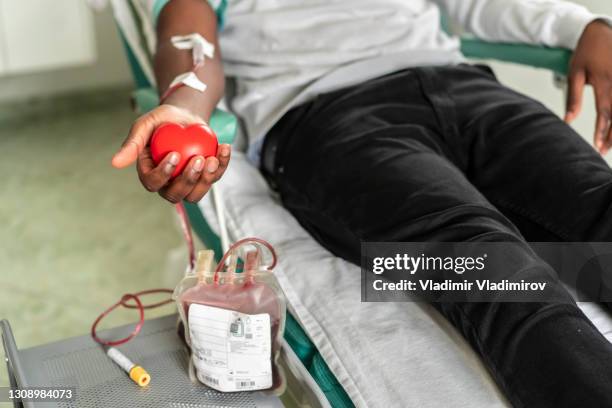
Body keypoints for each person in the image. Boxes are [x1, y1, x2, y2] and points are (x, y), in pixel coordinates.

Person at [111, 0, 612, 405]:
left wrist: (581, 25)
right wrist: (184, 108)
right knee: (486, 264)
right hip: (327, 121)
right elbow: (187, 30)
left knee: (599, 208)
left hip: (468, 90)